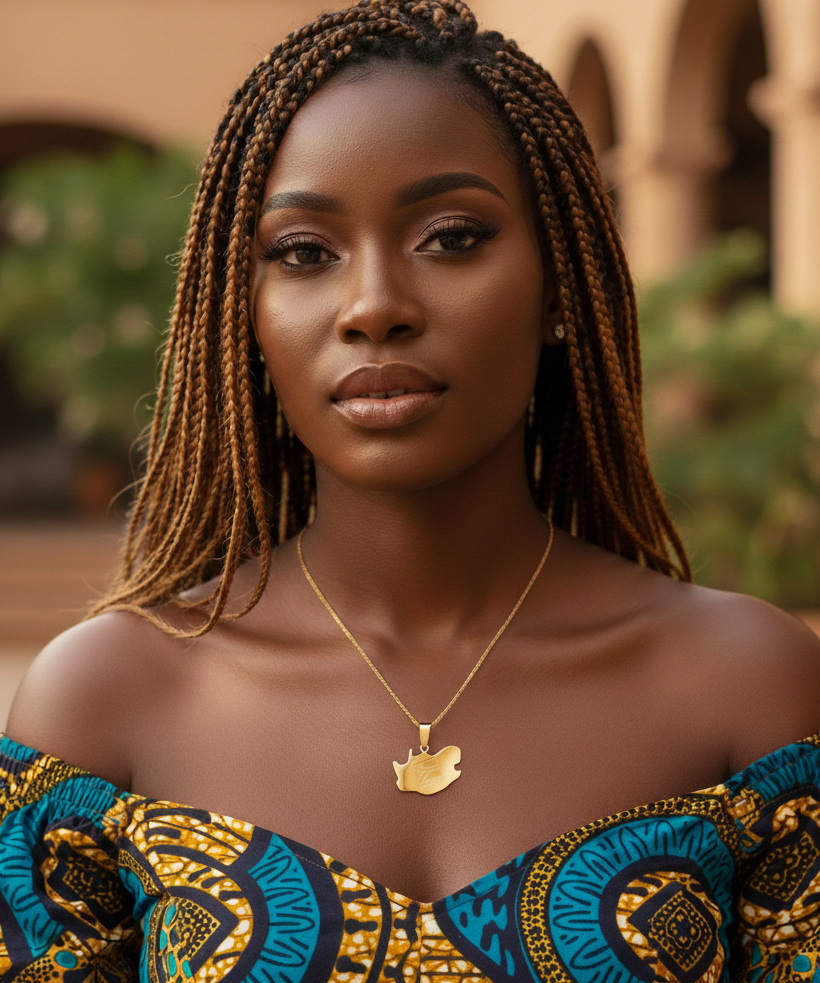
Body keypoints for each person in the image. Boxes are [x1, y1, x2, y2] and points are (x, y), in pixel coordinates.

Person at [3, 0, 820, 979]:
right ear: (244, 313)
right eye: (304, 252)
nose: (374, 305)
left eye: (451, 236)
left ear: (561, 286)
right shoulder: (106, 703)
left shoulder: (745, 686)